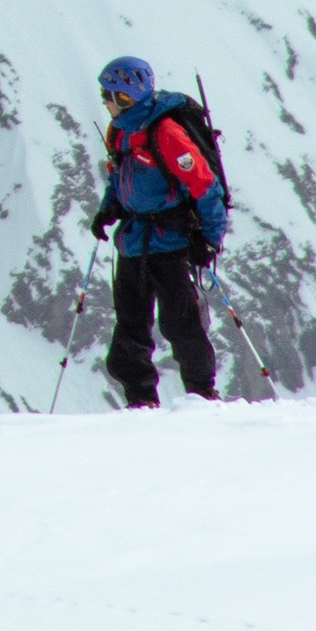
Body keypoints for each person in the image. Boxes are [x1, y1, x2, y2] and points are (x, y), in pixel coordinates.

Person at [92, 56, 227, 407]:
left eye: (109, 94)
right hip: (135, 242)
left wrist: (210, 239)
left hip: (169, 242)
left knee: (180, 323)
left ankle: (202, 394)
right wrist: (109, 208)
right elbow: (118, 175)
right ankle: (141, 400)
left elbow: (204, 185)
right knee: (131, 325)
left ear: (126, 95)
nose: (105, 101)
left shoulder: (165, 132)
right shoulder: (121, 131)